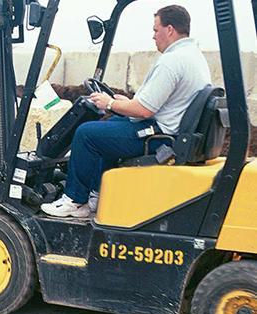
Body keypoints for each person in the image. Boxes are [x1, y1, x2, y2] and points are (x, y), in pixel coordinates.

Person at [41, 5, 212, 218]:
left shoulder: (172, 61)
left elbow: (144, 110)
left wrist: (109, 104)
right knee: (109, 127)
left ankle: (75, 200)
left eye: (155, 30)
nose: (153, 36)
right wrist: (125, 102)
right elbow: (155, 103)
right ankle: (97, 192)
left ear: (169, 30)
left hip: (161, 138)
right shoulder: (192, 56)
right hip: (170, 129)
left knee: (86, 134)